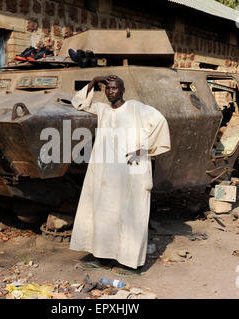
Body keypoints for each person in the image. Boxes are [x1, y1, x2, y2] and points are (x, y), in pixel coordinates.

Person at [69, 74, 171, 269]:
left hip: (131, 170)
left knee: (131, 213)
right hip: (107, 171)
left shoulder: (136, 108)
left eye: (114, 88)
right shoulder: (103, 110)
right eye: (107, 88)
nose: (110, 92)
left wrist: (143, 149)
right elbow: (79, 103)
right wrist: (95, 80)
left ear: (123, 90)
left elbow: (160, 122)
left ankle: (130, 262)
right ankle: (104, 257)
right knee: (105, 212)